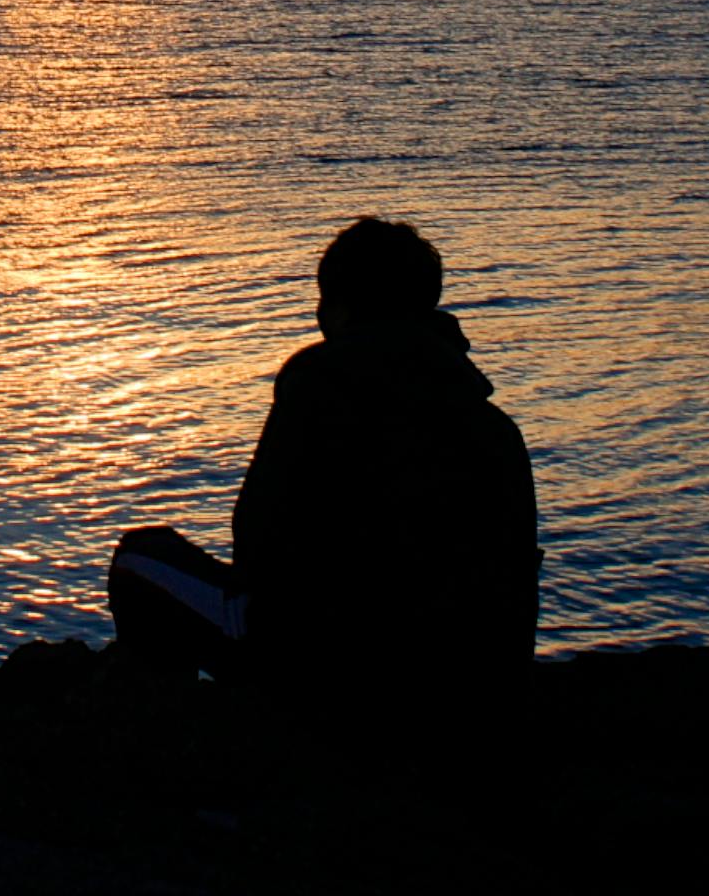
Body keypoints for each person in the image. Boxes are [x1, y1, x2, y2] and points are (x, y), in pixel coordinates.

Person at [110, 216, 540, 718]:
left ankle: (169, 746)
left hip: (338, 683)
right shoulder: (491, 423)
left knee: (140, 559)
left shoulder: (319, 389)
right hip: (479, 683)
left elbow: (256, 549)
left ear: (338, 309)